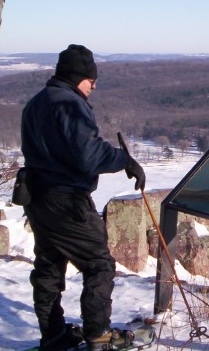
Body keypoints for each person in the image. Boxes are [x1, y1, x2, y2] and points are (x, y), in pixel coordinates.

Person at [21, 44, 146, 351]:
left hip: (38, 198)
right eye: (91, 79)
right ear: (78, 77)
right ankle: (98, 337)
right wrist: (125, 160)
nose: (94, 85)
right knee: (99, 265)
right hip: (68, 203)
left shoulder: (36, 103)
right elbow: (89, 155)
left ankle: (53, 336)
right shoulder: (70, 105)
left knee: (49, 269)